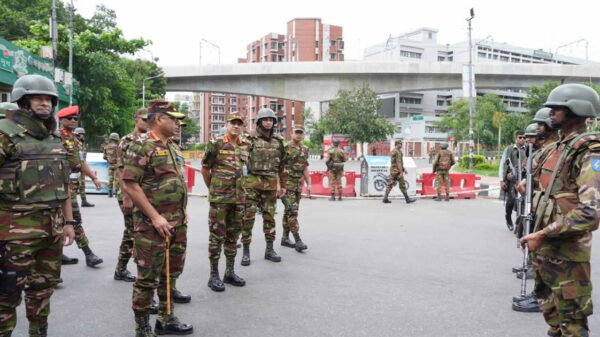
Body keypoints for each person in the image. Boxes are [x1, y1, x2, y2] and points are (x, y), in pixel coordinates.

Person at [520, 83, 600, 336]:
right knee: (553, 320)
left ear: (576, 110)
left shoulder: (590, 151)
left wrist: (543, 234)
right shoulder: (556, 149)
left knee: (573, 325)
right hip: (544, 250)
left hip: (567, 256)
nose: (550, 113)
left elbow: (591, 212)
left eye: (557, 108)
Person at [0, 74, 76, 336]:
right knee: (6, 296)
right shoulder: (5, 135)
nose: (45, 103)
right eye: (38, 98)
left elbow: (63, 186)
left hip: (51, 232)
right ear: (22, 101)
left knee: (43, 291)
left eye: (49, 99)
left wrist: (68, 223)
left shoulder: (54, 139)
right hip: (14, 235)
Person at [121, 99, 192, 336]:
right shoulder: (142, 144)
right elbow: (130, 183)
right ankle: (142, 327)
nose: (178, 124)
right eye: (174, 119)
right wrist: (155, 216)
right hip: (152, 225)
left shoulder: (172, 146)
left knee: (171, 273)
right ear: (160, 119)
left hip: (176, 222)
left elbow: (175, 182)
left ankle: (166, 317)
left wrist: (182, 211)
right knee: (148, 277)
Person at [201, 112, 248, 292]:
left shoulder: (245, 146)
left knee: (233, 236)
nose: (236, 126)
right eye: (233, 123)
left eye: (239, 123)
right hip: (220, 200)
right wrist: (213, 189)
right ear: (227, 124)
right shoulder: (216, 144)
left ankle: (230, 272)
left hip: (239, 199)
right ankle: (214, 275)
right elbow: (205, 169)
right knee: (216, 237)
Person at [57, 105, 104, 267]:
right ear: (61, 120)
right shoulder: (56, 138)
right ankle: (83, 253)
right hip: (58, 185)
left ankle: (84, 254)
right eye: (69, 118)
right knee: (64, 219)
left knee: (71, 219)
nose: (73, 121)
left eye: (75, 118)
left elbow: (81, 161)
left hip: (70, 184)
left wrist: (93, 178)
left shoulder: (75, 139)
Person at [240, 108, 286, 266]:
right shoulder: (249, 139)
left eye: (271, 120)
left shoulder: (279, 141)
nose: (268, 122)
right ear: (259, 122)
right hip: (252, 182)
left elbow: (283, 165)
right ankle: (246, 251)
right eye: (265, 119)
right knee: (248, 218)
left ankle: (270, 249)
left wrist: (282, 185)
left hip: (271, 184)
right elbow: (242, 162)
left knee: (270, 218)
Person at [114, 108, 148, 284]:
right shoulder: (126, 141)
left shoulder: (150, 141)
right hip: (129, 194)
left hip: (144, 195)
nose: (147, 122)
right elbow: (121, 171)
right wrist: (127, 197)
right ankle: (121, 268)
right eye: (144, 119)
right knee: (131, 231)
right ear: (136, 120)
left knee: (141, 232)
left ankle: (136, 268)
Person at [280, 125, 310, 252]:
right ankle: (298, 240)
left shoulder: (305, 149)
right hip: (287, 185)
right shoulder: (285, 148)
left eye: (301, 133)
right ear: (291, 133)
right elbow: (279, 167)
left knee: (289, 211)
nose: (298, 135)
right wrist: (280, 186)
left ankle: (285, 238)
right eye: (296, 132)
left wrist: (309, 184)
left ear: (303, 135)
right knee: (292, 211)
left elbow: (305, 168)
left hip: (298, 185)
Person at [499, 131, 526, 231]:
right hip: (511, 180)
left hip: (523, 180)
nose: (522, 139)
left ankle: (519, 224)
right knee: (511, 201)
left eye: (524, 137)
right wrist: (502, 180)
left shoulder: (528, 150)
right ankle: (508, 219)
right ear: (516, 139)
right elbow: (503, 164)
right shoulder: (509, 149)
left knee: (523, 202)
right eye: (520, 137)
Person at [382, 138, 417, 204]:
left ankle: (385, 198)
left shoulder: (393, 150)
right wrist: (401, 172)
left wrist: (403, 169)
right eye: (400, 143)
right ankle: (407, 199)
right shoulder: (398, 152)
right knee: (402, 185)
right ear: (397, 144)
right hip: (397, 171)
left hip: (393, 170)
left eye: (401, 143)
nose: (401, 144)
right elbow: (398, 163)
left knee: (390, 184)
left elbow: (395, 162)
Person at [74, 127, 94, 207]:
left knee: (82, 184)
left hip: (82, 166)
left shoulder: (82, 143)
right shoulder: (74, 142)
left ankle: (84, 200)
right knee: (74, 184)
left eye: (82, 134)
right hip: (75, 167)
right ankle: (72, 202)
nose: (82, 135)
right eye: (80, 134)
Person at [103, 132, 120, 197]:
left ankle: (109, 192)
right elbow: (120, 156)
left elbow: (104, 157)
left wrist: (109, 160)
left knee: (110, 178)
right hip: (117, 165)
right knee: (117, 179)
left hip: (110, 165)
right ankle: (116, 192)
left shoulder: (106, 147)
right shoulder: (118, 147)